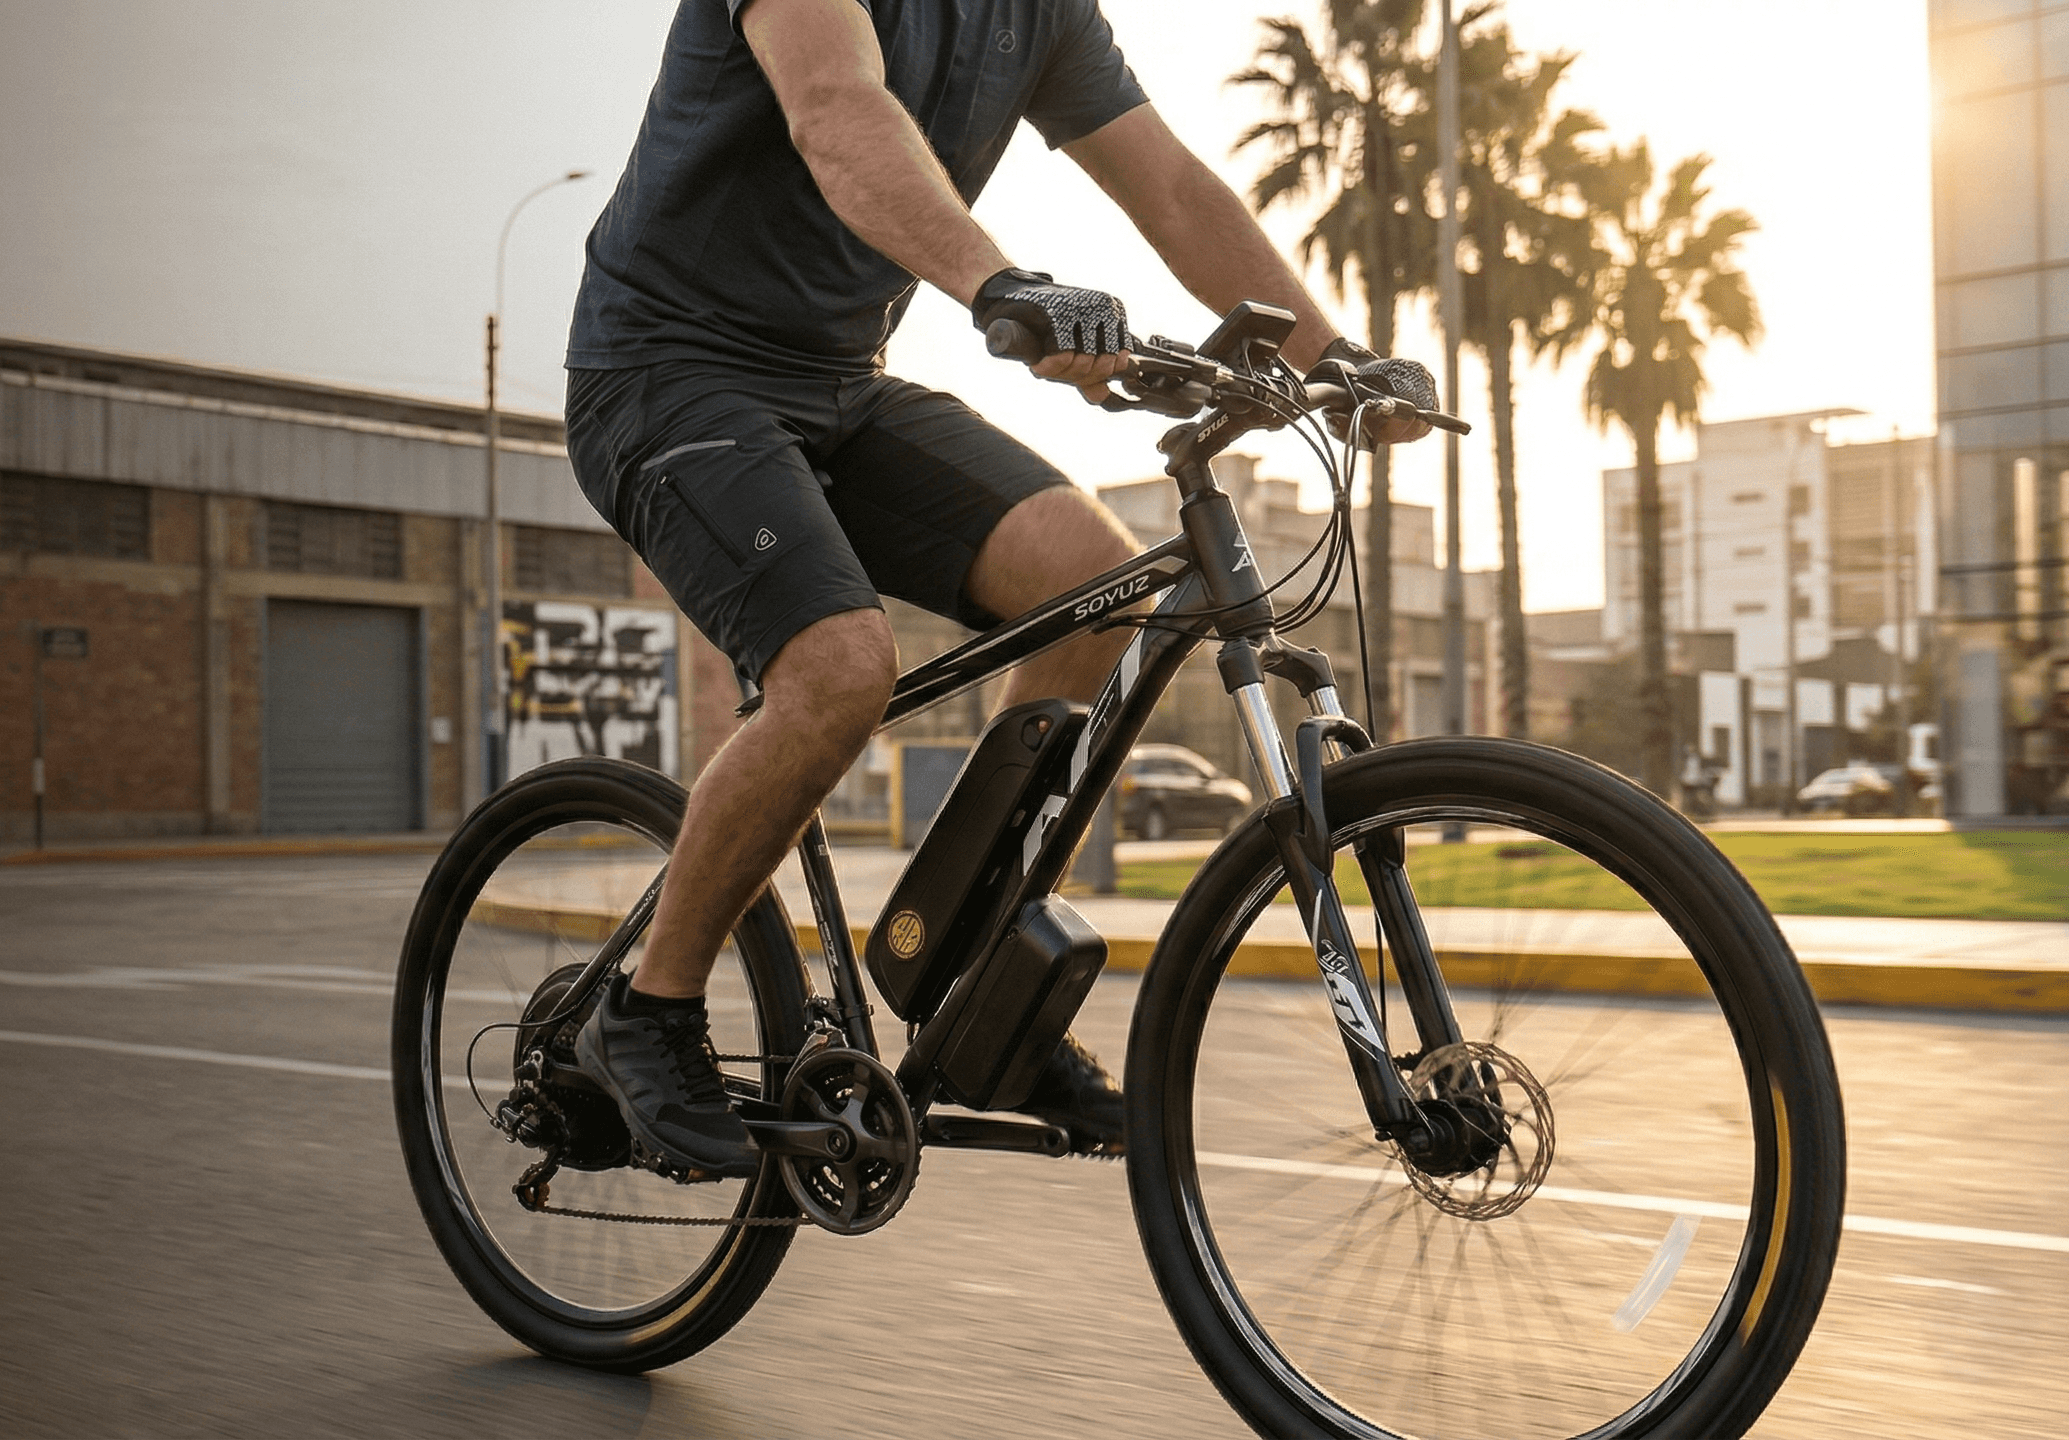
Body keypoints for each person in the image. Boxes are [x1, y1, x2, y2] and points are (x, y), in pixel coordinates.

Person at [561, 0, 1432, 1178]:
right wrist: (999, 285)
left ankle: (975, 987)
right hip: (665, 371)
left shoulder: (1044, 14)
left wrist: (1333, 362)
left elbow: (1169, 184)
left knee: (1102, 585)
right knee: (838, 668)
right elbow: (834, 111)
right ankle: (646, 1010)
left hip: (838, 385)